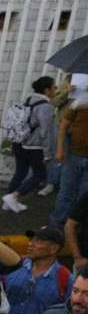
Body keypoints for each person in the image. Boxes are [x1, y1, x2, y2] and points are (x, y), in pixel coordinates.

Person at [3, 226, 70, 314]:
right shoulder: (14, 266)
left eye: (38, 241)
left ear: (53, 249)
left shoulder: (66, 279)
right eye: (31, 240)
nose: (30, 244)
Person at [2, 76, 57, 213]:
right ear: (47, 90)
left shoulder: (27, 100)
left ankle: (7, 203)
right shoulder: (46, 106)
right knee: (40, 174)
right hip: (34, 146)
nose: (56, 89)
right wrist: (48, 153)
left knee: (20, 172)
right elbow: (46, 131)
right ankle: (13, 197)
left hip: (18, 142)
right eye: (54, 87)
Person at [49, 80, 88, 229]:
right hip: (73, 155)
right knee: (66, 192)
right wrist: (60, 149)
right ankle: (57, 225)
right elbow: (63, 127)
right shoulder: (80, 102)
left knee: (84, 195)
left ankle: (77, 228)